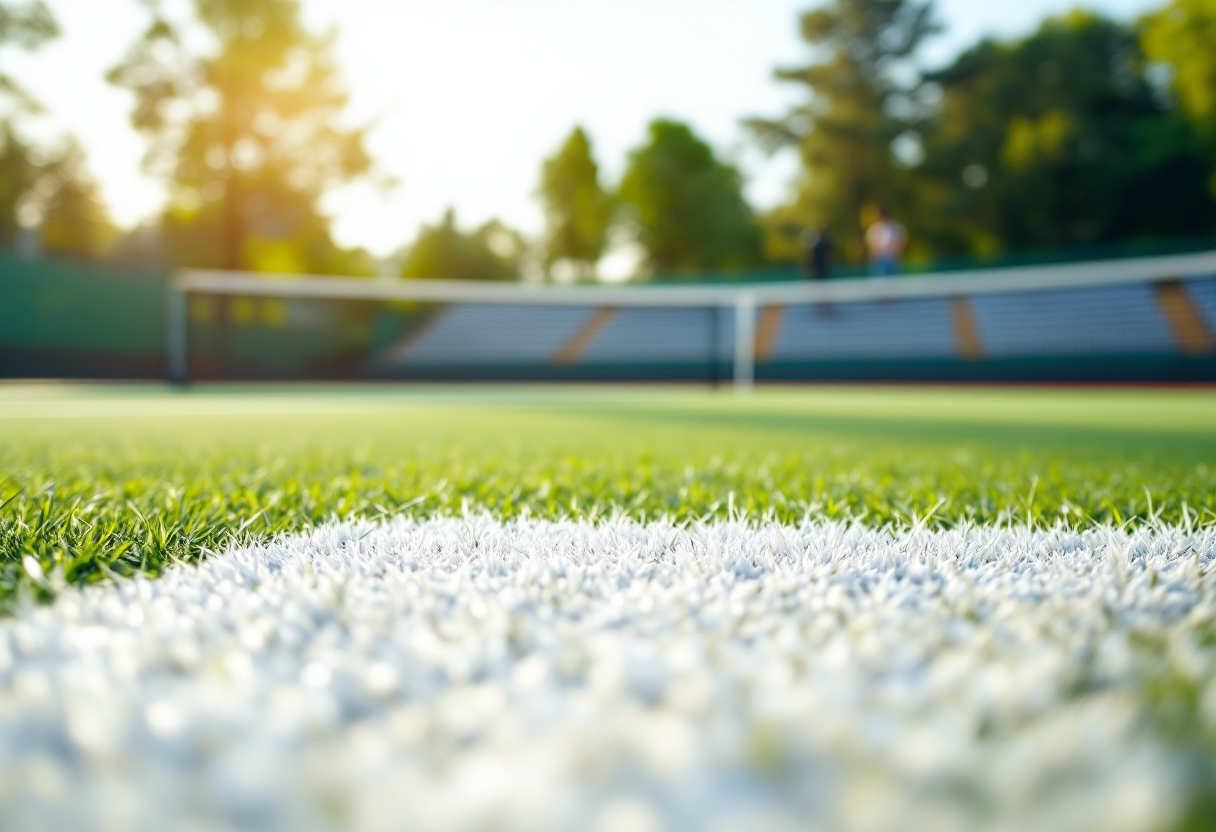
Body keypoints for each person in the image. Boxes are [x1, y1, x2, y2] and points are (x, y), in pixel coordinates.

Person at [865, 206, 906, 278]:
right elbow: (871, 246)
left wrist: (896, 251)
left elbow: (901, 242)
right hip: (879, 261)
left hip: (893, 260)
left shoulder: (895, 227)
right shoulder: (874, 229)